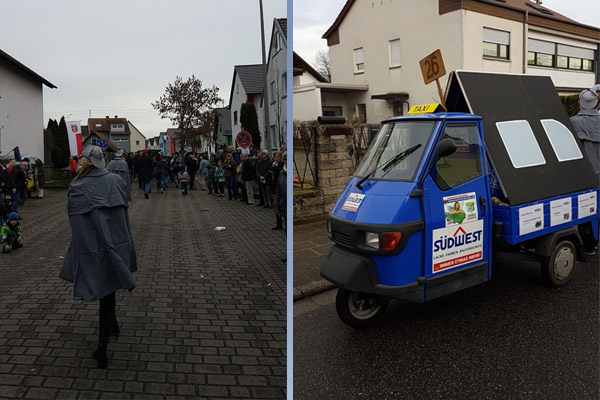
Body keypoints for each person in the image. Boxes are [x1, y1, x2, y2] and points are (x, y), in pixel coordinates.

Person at [59, 146, 137, 369]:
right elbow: (124, 211)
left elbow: (75, 223)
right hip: (116, 241)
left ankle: (102, 349)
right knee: (109, 289)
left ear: (85, 161)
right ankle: (110, 329)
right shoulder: (114, 180)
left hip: (92, 245)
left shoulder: (77, 185)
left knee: (105, 287)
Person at [570, 89, 600, 255]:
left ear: (579, 104)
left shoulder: (573, 122)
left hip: (584, 175)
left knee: (587, 209)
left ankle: (590, 245)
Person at [274, 152, 287, 230]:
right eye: (285, 159)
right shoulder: (281, 173)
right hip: (283, 203)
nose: (287, 161)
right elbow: (278, 189)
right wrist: (278, 204)